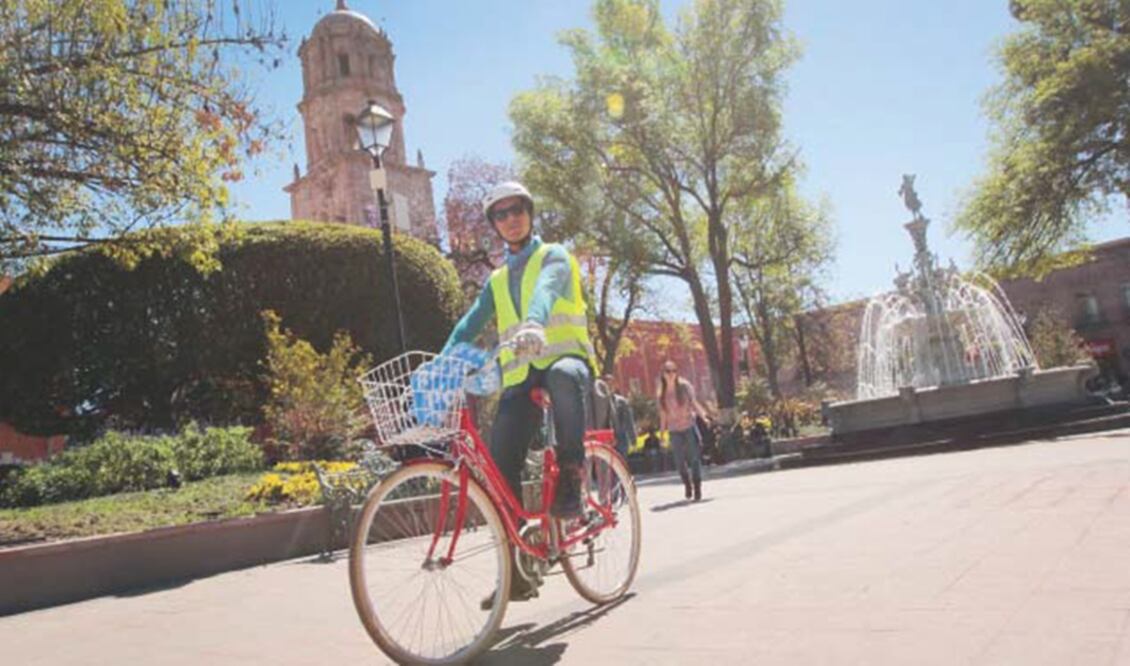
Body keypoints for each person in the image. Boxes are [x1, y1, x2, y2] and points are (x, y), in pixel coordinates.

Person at [441, 181, 596, 605]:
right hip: (520, 377)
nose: (511, 219)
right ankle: (517, 574)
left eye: (517, 210)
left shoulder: (554, 256)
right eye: (501, 214)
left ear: (529, 213)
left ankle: (571, 476)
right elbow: (470, 323)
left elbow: (547, 290)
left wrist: (533, 322)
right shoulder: (495, 280)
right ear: (494, 224)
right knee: (498, 469)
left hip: (563, 359)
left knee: (563, 378)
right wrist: (442, 360)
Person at [656, 360, 709, 501]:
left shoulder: (685, 387)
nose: (671, 374)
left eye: (674, 371)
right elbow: (663, 415)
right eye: (668, 371)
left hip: (689, 426)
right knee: (679, 461)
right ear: (663, 374)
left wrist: (704, 417)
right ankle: (687, 484)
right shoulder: (661, 393)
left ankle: (697, 487)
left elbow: (694, 403)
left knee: (694, 458)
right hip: (674, 430)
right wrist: (662, 435)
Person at [601, 374, 637, 462]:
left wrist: (633, 437)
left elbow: (629, 420)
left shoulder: (621, 401)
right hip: (606, 437)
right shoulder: (599, 402)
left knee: (621, 463)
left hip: (620, 437)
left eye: (611, 384)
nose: (609, 387)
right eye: (606, 384)